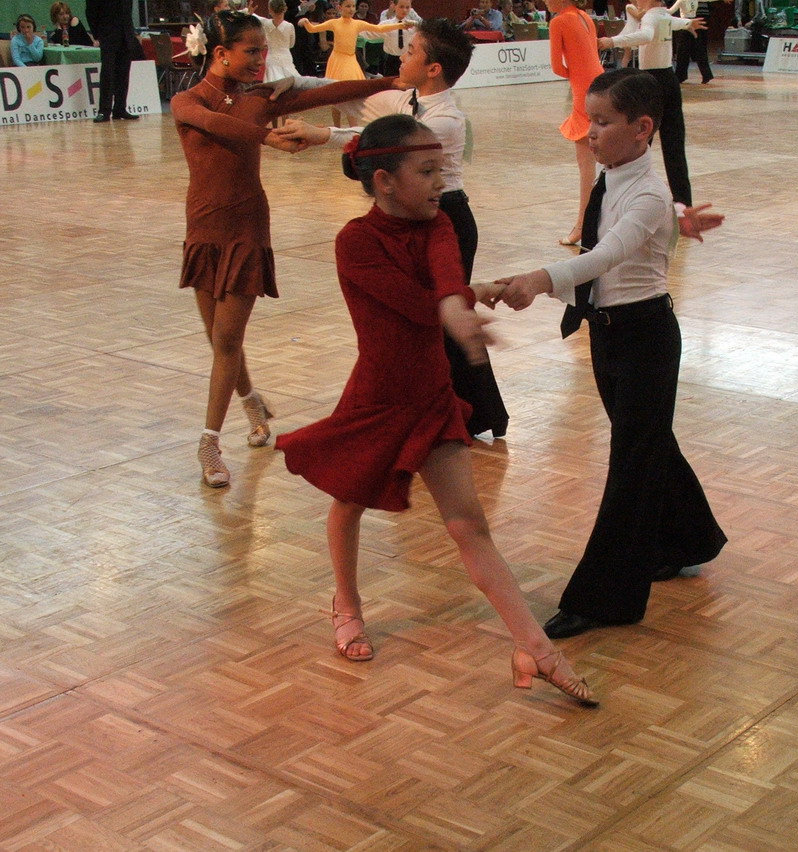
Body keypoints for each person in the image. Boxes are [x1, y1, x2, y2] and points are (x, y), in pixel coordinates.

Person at [273, 114, 597, 708]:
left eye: (441, 169)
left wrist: (461, 300)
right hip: (376, 399)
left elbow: (446, 278)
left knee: (469, 526)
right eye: (426, 171)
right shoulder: (355, 241)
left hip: (430, 397)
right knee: (348, 504)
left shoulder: (440, 221)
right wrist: (463, 305)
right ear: (384, 181)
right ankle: (347, 603)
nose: (440, 182)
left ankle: (536, 649)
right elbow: (415, 303)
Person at [493, 69, 728, 639]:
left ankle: (605, 599)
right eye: (589, 120)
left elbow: (606, 255)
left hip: (645, 339)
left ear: (642, 128)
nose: (589, 132)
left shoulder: (646, 193)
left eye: (602, 122)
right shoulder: (623, 181)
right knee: (647, 445)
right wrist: (677, 219)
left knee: (631, 467)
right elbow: (628, 230)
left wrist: (540, 280)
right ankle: (690, 538)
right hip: (608, 334)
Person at [172, 11, 401, 488]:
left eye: (263, 50)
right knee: (220, 340)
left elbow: (332, 93)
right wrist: (266, 136)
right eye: (252, 51)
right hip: (203, 228)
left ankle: (209, 443)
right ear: (220, 53)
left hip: (247, 227)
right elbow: (213, 122)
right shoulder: (186, 101)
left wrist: (394, 80)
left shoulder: (261, 98)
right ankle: (252, 402)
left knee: (227, 339)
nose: (261, 60)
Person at [270, 20, 511, 440]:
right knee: (435, 318)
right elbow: (350, 95)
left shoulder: (446, 120)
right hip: (411, 215)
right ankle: (459, 414)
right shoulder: (404, 98)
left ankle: (465, 415)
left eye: (412, 50)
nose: (402, 55)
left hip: (446, 216)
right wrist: (295, 81)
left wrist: (321, 133)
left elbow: (384, 141)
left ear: (433, 68)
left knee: (443, 317)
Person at [596, 0, 705, 208]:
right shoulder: (662, 15)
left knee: (638, 142)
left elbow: (646, 36)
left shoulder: (651, 17)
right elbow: (673, 22)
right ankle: (683, 203)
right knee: (674, 143)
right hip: (669, 80)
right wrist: (687, 23)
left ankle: (622, 193)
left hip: (651, 83)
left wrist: (611, 41)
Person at [548, 0, 604, 246]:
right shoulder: (584, 16)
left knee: (586, 165)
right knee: (597, 162)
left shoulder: (559, 21)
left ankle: (583, 225)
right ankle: (592, 222)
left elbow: (557, 67)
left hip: (584, 92)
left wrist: (576, 74)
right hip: (600, 84)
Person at [300, 0, 407, 125]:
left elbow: (379, 28)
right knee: (335, 96)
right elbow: (313, 29)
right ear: (340, 8)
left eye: (353, 6)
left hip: (350, 61)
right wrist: (305, 21)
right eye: (348, 6)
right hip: (337, 60)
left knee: (350, 94)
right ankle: (337, 127)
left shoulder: (357, 24)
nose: (351, 9)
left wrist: (400, 26)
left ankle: (353, 126)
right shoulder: (334, 23)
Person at [87, 0, 140, 122]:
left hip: (126, 35)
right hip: (108, 35)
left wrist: (130, 33)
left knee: (123, 74)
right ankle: (104, 111)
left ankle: (120, 108)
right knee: (107, 74)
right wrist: (98, 34)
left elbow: (128, 10)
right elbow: (91, 12)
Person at [671, 0, 722, 83]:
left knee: (685, 48)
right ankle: (705, 74)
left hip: (692, 20)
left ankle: (681, 76)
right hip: (695, 19)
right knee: (696, 48)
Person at [259, 0, 299, 82]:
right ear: (285, 9)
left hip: (271, 58)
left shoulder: (266, 23)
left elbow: (253, 16)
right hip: (286, 57)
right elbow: (291, 44)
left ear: (270, 10)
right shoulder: (289, 26)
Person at [379, 0, 421, 76]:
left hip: (408, 58)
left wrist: (415, 24)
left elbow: (426, 27)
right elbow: (373, 32)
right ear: (394, 6)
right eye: (401, 7)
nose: (404, 10)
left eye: (407, 7)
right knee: (390, 81)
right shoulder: (386, 24)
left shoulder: (414, 25)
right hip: (390, 59)